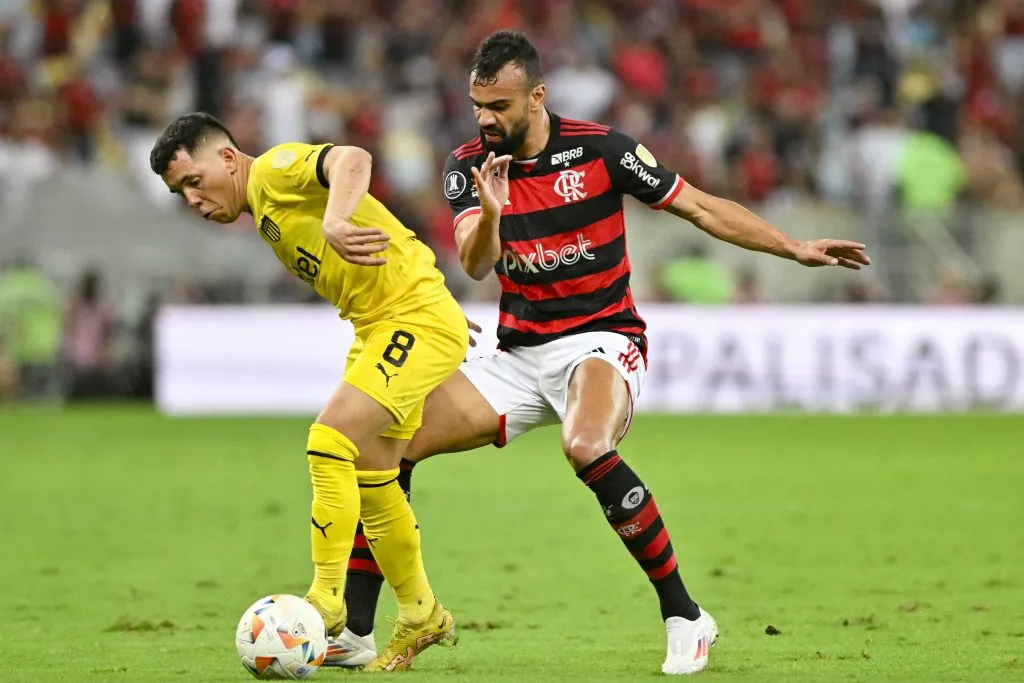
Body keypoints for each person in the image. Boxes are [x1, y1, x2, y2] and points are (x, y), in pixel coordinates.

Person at [333, 30, 871, 675]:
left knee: (586, 445)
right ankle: (359, 633)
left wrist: (794, 247)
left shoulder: (602, 149)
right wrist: (492, 209)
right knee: (384, 446)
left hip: (602, 338)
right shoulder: (468, 165)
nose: (486, 118)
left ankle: (685, 615)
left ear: (536, 96)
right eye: (478, 104)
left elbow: (699, 207)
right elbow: (476, 264)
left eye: (499, 105)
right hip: (518, 353)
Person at [148, 113, 472, 672]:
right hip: (381, 325)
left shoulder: (272, 171)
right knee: (374, 476)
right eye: (181, 193)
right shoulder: (264, 210)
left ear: (227, 159)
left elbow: (353, 159)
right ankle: (421, 612)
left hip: (412, 318)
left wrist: (337, 219)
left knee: (329, 438)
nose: (193, 200)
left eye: (194, 181)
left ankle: (327, 598)